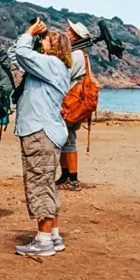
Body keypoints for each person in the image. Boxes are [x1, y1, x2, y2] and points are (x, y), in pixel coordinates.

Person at [10, 19, 72, 258]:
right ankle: (53, 235)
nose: (40, 41)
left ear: (54, 46)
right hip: (45, 130)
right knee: (47, 183)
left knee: (39, 183)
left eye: (44, 39)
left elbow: (22, 53)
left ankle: (43, 240)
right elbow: (15, 55)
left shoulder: (52, 64)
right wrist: (30, 37)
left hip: (40, 131)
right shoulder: (50, 66)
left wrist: (28, 33)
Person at [57, 20, 93, 191]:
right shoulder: (79, 54)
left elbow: (63, 75)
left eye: (70, 30)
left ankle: (72, 179)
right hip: (73, 102)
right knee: (65, 140)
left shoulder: (77, 55)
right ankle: (66, 176)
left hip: (70, 103)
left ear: (75, 35)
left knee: (69, 140)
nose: (66, 30)